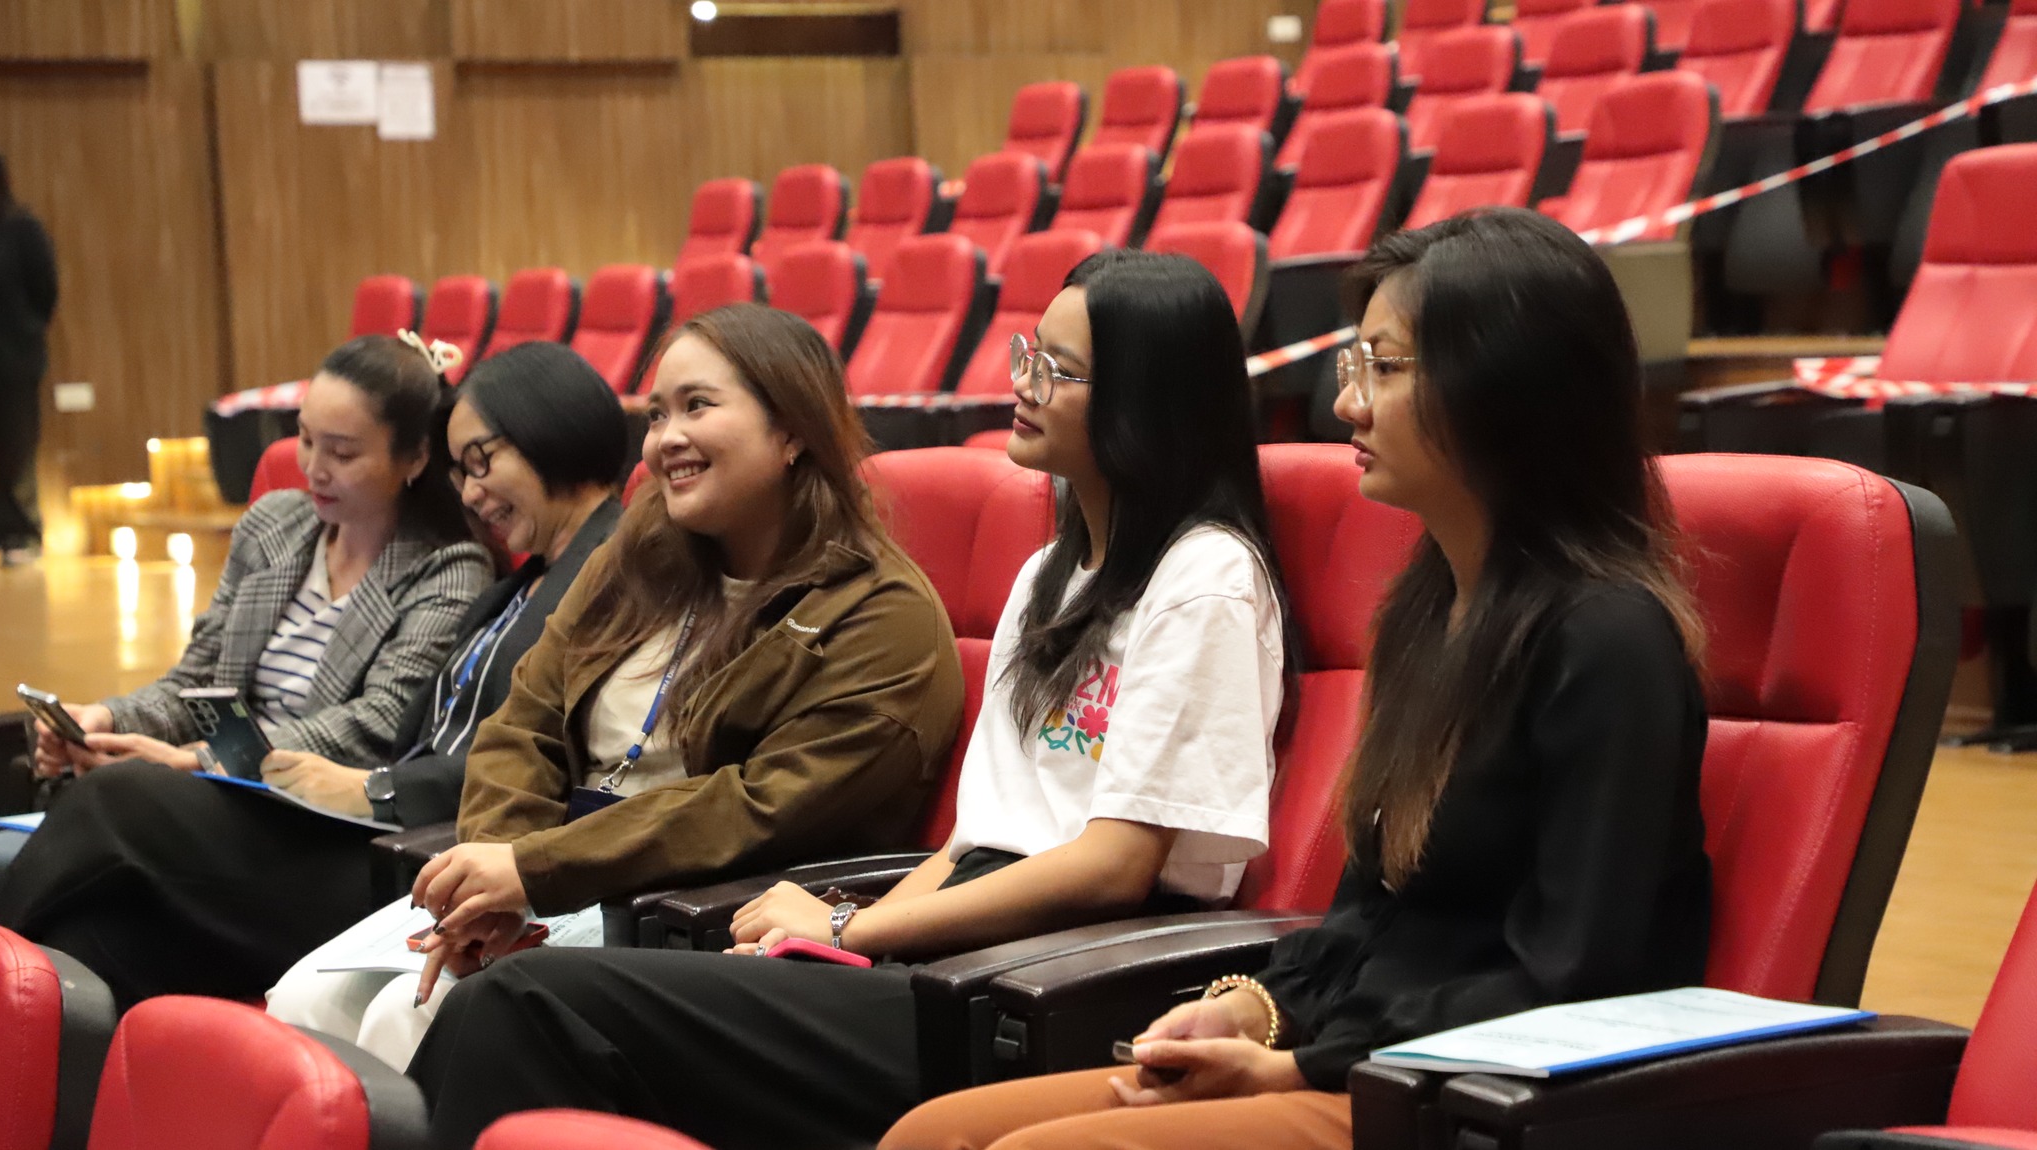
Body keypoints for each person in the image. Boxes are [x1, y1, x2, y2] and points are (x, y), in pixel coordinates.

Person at [405, 249, 1296, 1150]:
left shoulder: (1206, 578)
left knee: (530, 1004)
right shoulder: (1048, 575)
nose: (1022, 383)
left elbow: (1114, 867)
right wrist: (838, 941)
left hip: (1062, 980)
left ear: (1147, 399)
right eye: (1029, 354)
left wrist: (850, 925)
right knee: (514, 1013)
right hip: (961, 951)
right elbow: (974, 843)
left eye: (1057, 371)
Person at [879, 207, 1713, 1150]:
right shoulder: (1428, 612)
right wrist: (1249, 1009)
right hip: (1358, 1060)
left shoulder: (1610, 642)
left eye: (1384, 369)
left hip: (1469, 1101)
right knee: (930, 1135)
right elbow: (1369, 921)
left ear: (1503, 390)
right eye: (1355, 366)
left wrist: (1298, 1068)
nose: (1347, 403)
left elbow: (1575, 978)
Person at [265, 303, 966, 1070]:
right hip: (546, 873)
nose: (666, 438)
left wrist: (533, 873)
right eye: (657, 413)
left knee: (413, 1017)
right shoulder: (640, 551)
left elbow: (761, 808)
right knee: (304, 1004)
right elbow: (524, 720)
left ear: (793, 429)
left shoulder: (881, 611)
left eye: (698, 406)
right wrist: (494, 876)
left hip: (688, 910)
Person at [0, 342, 625, 1004]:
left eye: (342, 452)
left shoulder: (518, 571)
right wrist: (108, 720)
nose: (469, 490)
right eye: (305, 440)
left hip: (391, 841)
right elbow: (197, 679)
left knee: (116, 797)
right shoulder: (524, 581)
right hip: (362, 821)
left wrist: (218, 763)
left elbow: (396, 728)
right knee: (98, 935)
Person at [0, 154, 57, 564]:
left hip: (13, 362)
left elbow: (45, 291)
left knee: (17, 453)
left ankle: (22, 535)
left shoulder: (22, 230)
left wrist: (24, 331)